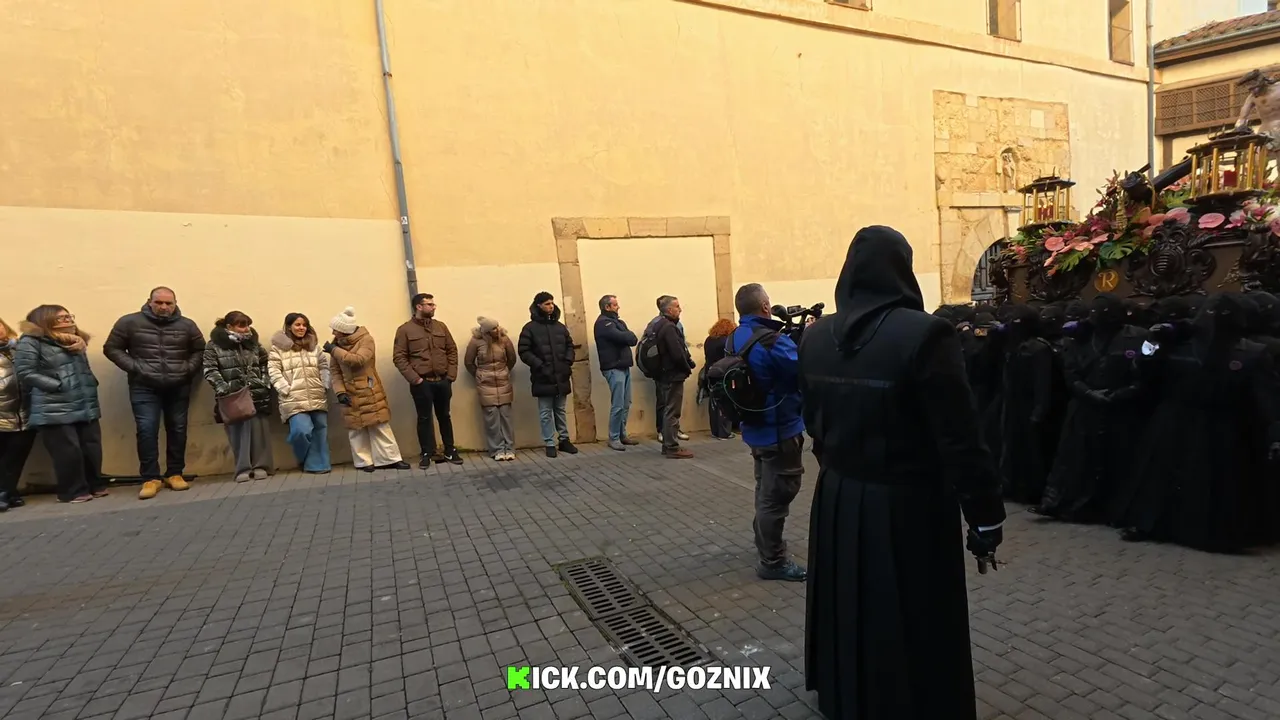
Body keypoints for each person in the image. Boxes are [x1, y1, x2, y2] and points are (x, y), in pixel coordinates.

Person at [798, 227, 1005, 720]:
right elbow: (959, 436)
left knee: (848, 598)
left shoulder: (816, 336)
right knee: (911, 605)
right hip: (908, 502)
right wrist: (985, 516)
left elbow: (813, 421)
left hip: (838, 494)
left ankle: (848, 692)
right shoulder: (926, 334)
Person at [731, 284, 806, 580]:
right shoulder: (771, 341)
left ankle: (764, 542)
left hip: (755, 429)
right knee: (777, 496)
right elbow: (802, 370)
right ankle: (773, 561)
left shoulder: (735, 336)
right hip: (780, 430)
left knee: (765, 490)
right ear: (765, 307)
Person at [102, 286, 206, 500]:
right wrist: (136, 367)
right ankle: (150, 478)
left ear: (175, 304)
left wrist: (187, 369)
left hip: (178, 385)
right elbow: (112, 348)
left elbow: (200, 350)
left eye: (168, 303)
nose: (164, 307)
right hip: (144, 386)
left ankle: (175, 473)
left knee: (178, 429)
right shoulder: (129, 322)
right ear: (149, 302)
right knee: (146, 429)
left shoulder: (187, 325)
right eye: (159, 302)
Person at [13, 305, 109, 503]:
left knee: (91, 448)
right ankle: (72, 491)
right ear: (45, 320)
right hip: (53, 406)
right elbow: (25, 372)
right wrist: (57, 385)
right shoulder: (31, 341)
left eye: (68, 316)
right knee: (68, 451)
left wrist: (90, 382)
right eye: (61, 318)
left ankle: (94, 484)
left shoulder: (76, 341)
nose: (67, 320)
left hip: (84, 402)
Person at [327, 307, 410, 472]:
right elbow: (335, 372)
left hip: (369, 387)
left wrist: (334, 350)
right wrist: (340, 392)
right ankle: (364, 462)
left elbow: (359, 360)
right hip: (349, 391)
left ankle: (390, 458)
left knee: (379, 424)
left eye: (335, 330)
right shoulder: (336, 345)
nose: (333, 333)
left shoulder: (366, 340)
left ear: (344, 330)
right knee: (355, 429)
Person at [394, 293, 462, 469]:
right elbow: (399, 357)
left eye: (433, 304)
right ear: (419, 306)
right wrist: (415, 379)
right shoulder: (405, 330)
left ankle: (450, 450)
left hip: (442, 380)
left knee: (444, 416)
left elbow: (451, 350)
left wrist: (450, 376)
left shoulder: (440, 327)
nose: (433, 307)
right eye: (429, 304)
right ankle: (426, 453)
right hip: (422, 382)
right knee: (424, 418)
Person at [204, 311, 274, 482]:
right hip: (233, 396)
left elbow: (265, 363)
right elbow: (210, 369)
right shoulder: (214, 345)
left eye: (247, 325)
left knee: (259, 431)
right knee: (238, 433)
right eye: (241, 326)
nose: (246, 329)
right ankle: (243, 468)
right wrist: (224, 388)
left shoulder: (253, 344)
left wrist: (264, 382)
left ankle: (261, 466)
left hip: (257, 393)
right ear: (229, 326)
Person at [268, 313, 331, 474]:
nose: (301, 328)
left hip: (316, 395)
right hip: (293, 398)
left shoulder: (314, 347)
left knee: (319, 432)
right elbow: (274, 371)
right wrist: (284, 388)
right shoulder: (278, 349)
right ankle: (303, 458)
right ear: (289, 327)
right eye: (297, 324)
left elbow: (323, 366)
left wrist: (324, 383)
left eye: (304, 325)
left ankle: (318, 465)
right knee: (301, 431)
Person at [518, 291, 578, 458]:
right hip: (543, 377)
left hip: (561, 375)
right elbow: (524, 351)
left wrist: (567, 362)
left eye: (552, 303)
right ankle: (549, 442)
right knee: (545, 412)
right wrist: (540, 366)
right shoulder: (530, 328)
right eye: (547, 304)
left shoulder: (560, 327)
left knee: (560, 410)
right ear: (539, 306)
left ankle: (564, 440)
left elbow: (569, 345)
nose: (551, 306)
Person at [465, 316, 517, 461]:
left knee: (506, 417)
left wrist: (505, 371)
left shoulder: (504, 339)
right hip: (485, 384)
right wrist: (479, 375)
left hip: (503, 382)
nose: (497, 330)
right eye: (493, 328)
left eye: (497, 326)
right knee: (491, 419)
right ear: (486, 331)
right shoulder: (475, 341)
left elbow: (512, 358)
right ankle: (497, 450)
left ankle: (509, 448)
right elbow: (468, 362)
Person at [594, 295, 639, 451]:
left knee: (626, 403)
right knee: (618, 404)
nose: (618, 307)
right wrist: (626, 336)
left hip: (623, 366)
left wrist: (626, 336)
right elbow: (623, 336)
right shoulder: (603, 324)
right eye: (615, 305)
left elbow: (632, 339)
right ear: (607, 307)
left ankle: (622, 434)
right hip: (613, 367)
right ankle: (613, 438)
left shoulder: (618, 322)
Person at [652, 296, 695, 459]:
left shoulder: (658, 324)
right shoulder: (669, 327)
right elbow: (677, 353)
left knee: (667, 409)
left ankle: (668, 444)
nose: (680, 309)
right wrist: (686, 368)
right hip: (672, 375)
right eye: (677, 306)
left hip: (662, 374)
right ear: (669, 310)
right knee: (672, 411)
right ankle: (671, 447)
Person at [0, 317, 35, 511]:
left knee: (16, 458)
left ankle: (9, 492)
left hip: (24, 414)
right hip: (2, 415)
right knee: (5, 459)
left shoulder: (19, 348)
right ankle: (4, 493)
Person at [702, 318, 736, 440]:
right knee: (725, 402)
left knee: (713, 403)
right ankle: (724, 432)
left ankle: (715, 431)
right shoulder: (726, 341)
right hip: (723, 373)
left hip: (710, 372)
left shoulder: (708, 340)